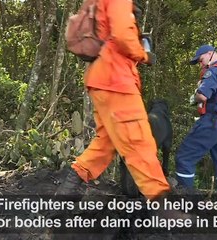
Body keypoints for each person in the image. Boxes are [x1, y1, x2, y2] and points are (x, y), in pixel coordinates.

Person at [56, 0, 169, 201]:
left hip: (101, 79)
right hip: (116, 80)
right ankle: (163, 206)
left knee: (105, 144)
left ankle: (63, 196)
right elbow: (123, 35)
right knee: (139, 140)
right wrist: (144, 54)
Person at [175, 45, 217, 201]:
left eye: (200, 60)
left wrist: (194, 96)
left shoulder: (214, 71)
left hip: (212, 121)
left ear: (210, 53)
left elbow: (202, 96)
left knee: (184, 157)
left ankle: (185, 204)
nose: (201, 64)